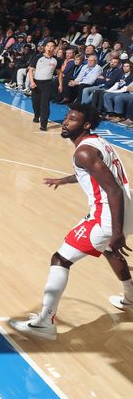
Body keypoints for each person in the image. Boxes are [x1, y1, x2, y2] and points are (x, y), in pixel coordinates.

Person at [9, 103, 133, 340]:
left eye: (73, 119)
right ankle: (131, 296)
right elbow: (93, 173)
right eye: (66, 118)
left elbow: (113, 190)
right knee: (108, 249)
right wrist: (64, 180)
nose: (66, 122)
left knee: (60, 259)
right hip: (126, 210)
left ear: (85, 125)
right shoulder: (97, 143)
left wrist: (117, 232)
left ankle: (44, 322)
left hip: (106, 216)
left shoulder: (83, 152)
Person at [28, 40, 58, 131]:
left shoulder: (56, 60)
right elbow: (31, 70)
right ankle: (37, 115)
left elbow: (59, 72)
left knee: (45, 104)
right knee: (35, 102)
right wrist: (32, 82)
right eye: (48, 45)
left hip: (48, 84)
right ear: (45, 47)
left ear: (54, 48)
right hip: (36, 83)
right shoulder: (37, 57)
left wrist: (60, 83)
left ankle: (43, 124)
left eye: (52, 46)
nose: (49, 47)